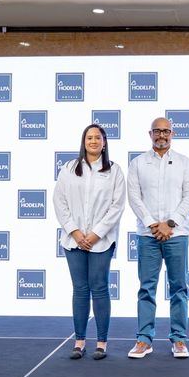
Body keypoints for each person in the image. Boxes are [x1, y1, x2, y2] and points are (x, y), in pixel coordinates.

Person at [53, 124, 126, 360]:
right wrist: (75, 232)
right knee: (80, 290)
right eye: (89, 137)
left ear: (104, 142)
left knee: (100, 288)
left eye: (98, 137)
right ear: (83, 141)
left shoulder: (114, 171)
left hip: (101, 242)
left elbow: (117, 207)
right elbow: (59, 201)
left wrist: (95, 234)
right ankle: (80, 341)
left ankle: (102, 342)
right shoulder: (68, 168)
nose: (93, 141)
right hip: (74, 241)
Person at [127, 117, 189, 359]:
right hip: (147, 236)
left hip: (176, 234)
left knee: (178, 288)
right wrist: (152, 224)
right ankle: (144, 340)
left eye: (166, 131)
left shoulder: (185, 163)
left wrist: (168, 224)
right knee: (146, 288)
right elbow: (134, 197)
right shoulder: (137, 164)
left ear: (172, 133)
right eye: (157, 131)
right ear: (150, 134)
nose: (161, 135)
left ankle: (179, 339)